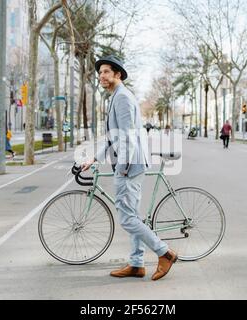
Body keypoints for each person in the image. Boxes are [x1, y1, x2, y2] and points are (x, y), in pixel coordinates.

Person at [81, 55, 177, 281]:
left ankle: (165, 253)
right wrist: (94, 158)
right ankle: (136, 264)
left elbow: (127, 138)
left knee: (126, 219)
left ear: (118, 75)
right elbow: (112, 136)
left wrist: (122, 168)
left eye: (106, 71)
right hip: (131, 164)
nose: (101, 76)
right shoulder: (117, 97)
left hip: (129, 166)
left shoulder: (122, 97)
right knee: (133, 215)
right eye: (100, 72)